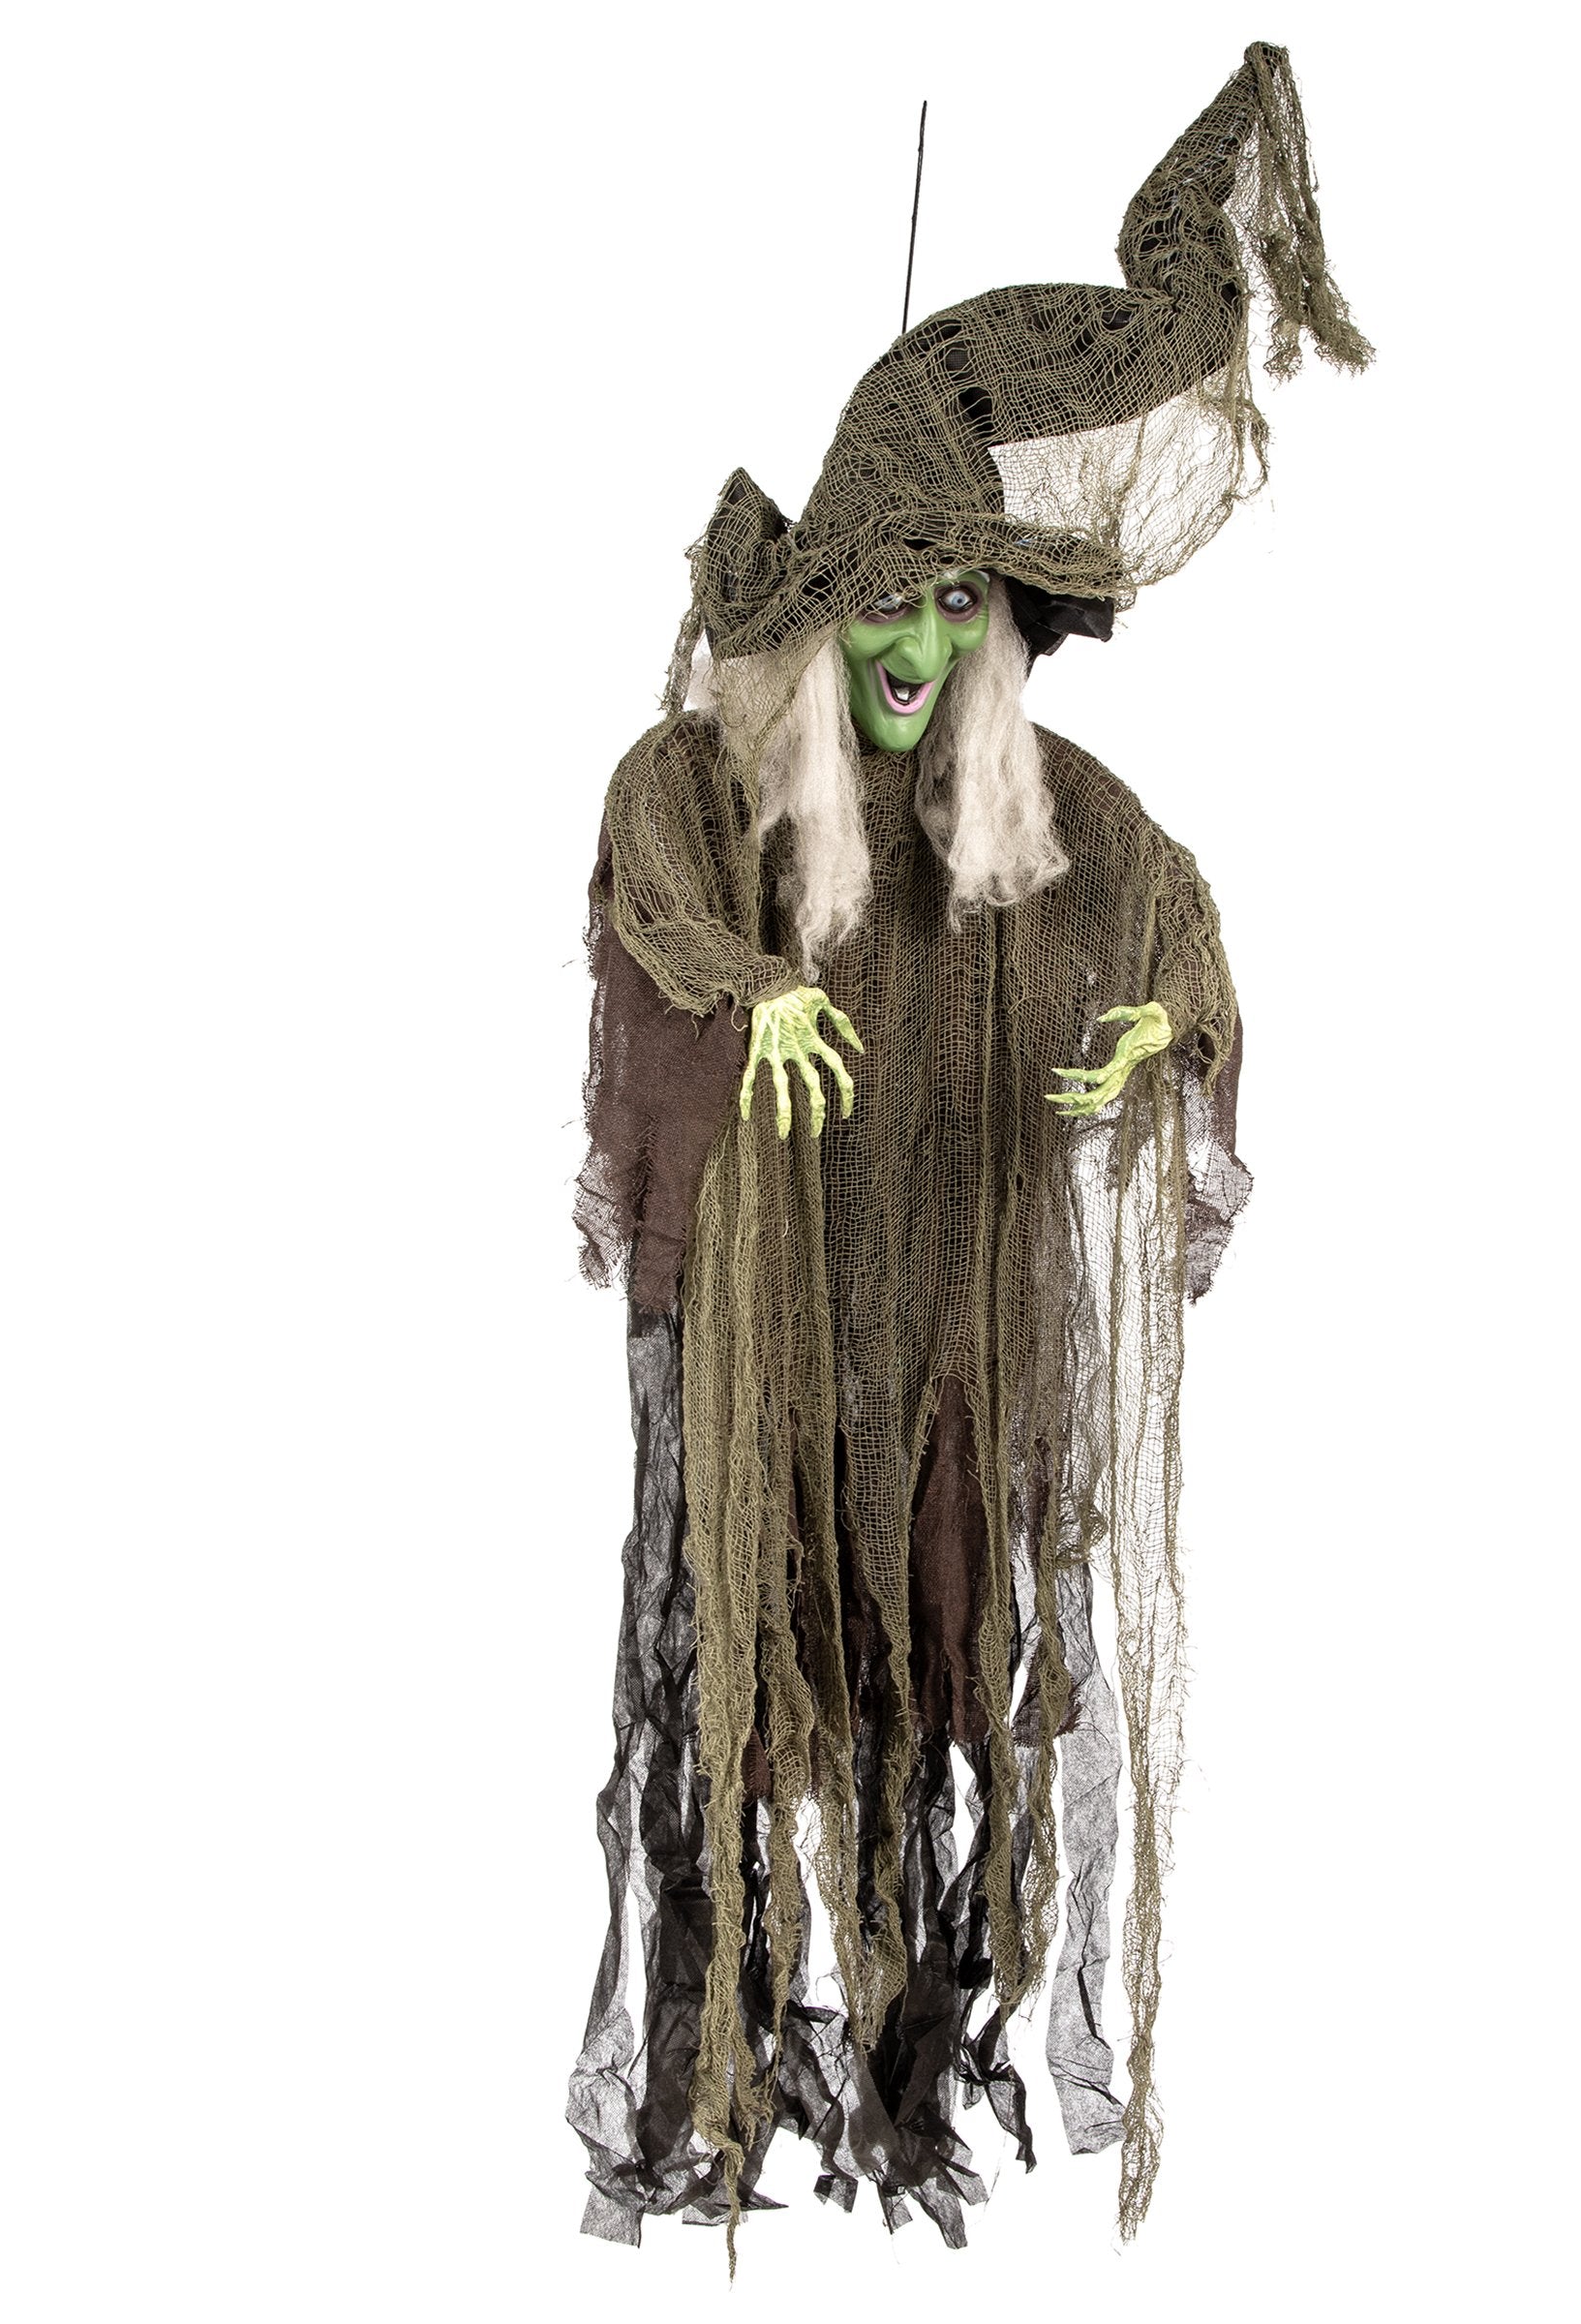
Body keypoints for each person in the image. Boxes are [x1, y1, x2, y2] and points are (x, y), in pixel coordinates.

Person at [567, 41, 1370, 2259]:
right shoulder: (715, 784)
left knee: (942, 1682)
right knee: (738, 1685)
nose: (919, 637)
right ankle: (721, 2066)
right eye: (888, 592)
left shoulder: (1049, 818)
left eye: (958, 600)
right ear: (827, 594)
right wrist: (748, 988)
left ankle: (915, 2059)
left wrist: (1155, 1043)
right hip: (765, 1346)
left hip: (942, 1343)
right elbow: (645, 849)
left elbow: (1177, 925)